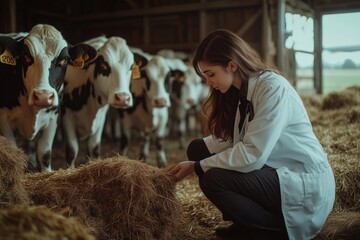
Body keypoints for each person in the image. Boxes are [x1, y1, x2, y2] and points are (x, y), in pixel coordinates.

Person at [168, 29, 335, 240]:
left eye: (211, 74)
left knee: (213, 179)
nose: (208, 83)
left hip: (301, 179)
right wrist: (198, 155)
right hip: (274, 168)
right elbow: (237, 138)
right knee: (198, 148)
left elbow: (252, 154)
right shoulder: (244, 91)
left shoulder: (272, 88)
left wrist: (197, 167)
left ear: (231, 65)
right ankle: (247, 221)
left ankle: (271, 231)